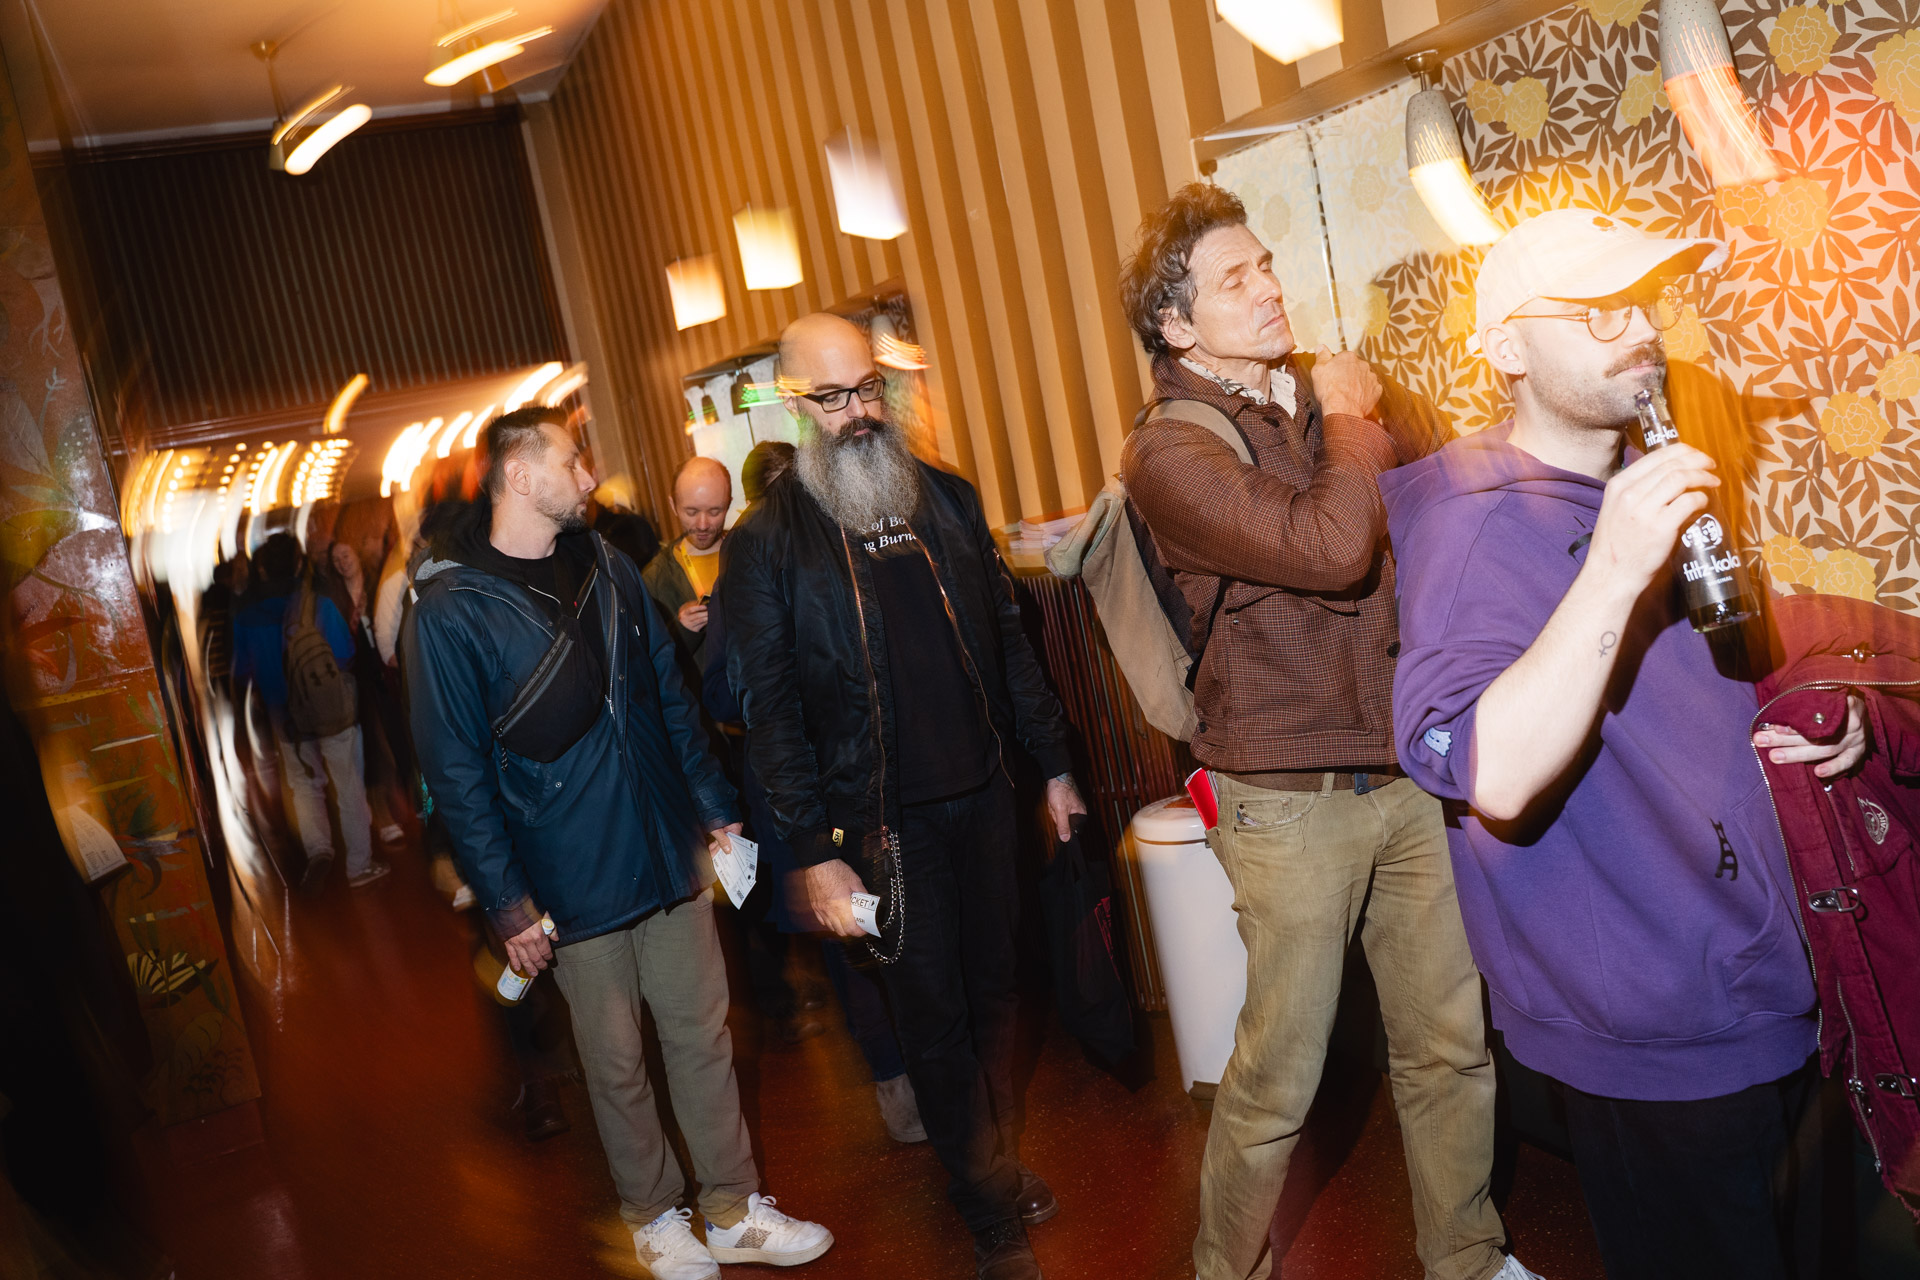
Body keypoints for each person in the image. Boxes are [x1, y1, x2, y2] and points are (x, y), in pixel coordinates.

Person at [1383, 209, 1869, 1279]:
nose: (1637, 328)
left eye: (1640, 303)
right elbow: (1489, 769)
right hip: (1656, 1030)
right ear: (1505, 348)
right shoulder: (1468, 526)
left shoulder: (1645, 474)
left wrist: (1827, 713)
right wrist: (1612, 567)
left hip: (1766, 980)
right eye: (1594, 310)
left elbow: (1713, 682)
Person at [1116, 183, 1533, 1280]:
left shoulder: (1318, 397)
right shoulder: (1168, 450)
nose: (1269, 287)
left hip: (1404, 772)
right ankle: (1228, 1270)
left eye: (1266, 264)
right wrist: (1352, 416)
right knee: (1278, 1079)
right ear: (1176, 326)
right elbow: (1330, 545)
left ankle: (1467, 1255)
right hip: (1285, 802)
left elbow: (1427, 529)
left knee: (1449, 1044)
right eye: (1235, 279)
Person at [402, 406, 832, 1280]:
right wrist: (507, 901)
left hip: (665, 844)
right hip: (569, 868)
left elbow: (668, 694)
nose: (589, 475)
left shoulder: (605, 564)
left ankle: (732, 1209)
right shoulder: (449, 610)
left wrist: (714, 807)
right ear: (521, 476)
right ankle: (652, 1216)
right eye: (571, 460)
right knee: (615, 1058)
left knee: (703, 1034)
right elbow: (456, 772)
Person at [722, 313, 1087, 1280]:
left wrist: (1053, 766)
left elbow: (1009, 646)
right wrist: (815, 852)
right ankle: (985, 1199)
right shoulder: (767, 544)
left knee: (997, 992)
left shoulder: (948, 499)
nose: (858, 413)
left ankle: (994, 1160)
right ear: (794, 403)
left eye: (868, 389)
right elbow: (774, 714)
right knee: (933, 1013)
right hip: (881, 825)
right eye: (833, 397)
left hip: (985, 796)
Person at [705, 441, 925, 1137]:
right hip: (845, 780)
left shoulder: (744, 565)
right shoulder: (842, 548)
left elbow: (724, 690)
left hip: (806, 788)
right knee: (881, 925)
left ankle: (899, 1085)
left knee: (852, 938)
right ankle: (911, 1076)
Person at [231, 532, 387, 891]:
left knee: (304, 784)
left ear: (262, 569)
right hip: (329, 708)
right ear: (299, 564)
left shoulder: (246, 615)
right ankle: (359, 864)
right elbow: (345, 654)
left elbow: (242, 672)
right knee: (347, 783)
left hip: (283, 715)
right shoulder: (318, 605)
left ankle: (319, 849)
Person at [643, 455, 733, 682]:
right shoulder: (655, 578)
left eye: (715, 512)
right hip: (702, 701)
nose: (703, 525)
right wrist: (680, 631)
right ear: (673, 505)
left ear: (729, 504)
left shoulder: (752, 555)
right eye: (691, 512)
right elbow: (648, 667)